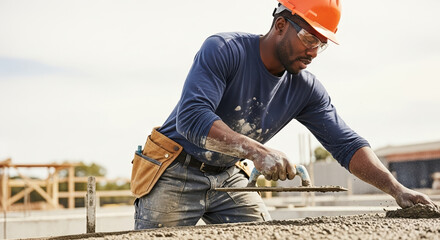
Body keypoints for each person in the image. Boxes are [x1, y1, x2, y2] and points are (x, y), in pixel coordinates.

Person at [132, 0, 437, 230]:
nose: (314, 52)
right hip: (176, 169)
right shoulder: (225, 50)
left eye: (321, 43)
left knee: (264, 234)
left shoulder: (305, 89)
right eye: (308, 38)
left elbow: (345, 144)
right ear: (280, 25)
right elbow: (191, 118)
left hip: (226, 176)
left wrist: (396, 188)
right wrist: (256, 150)